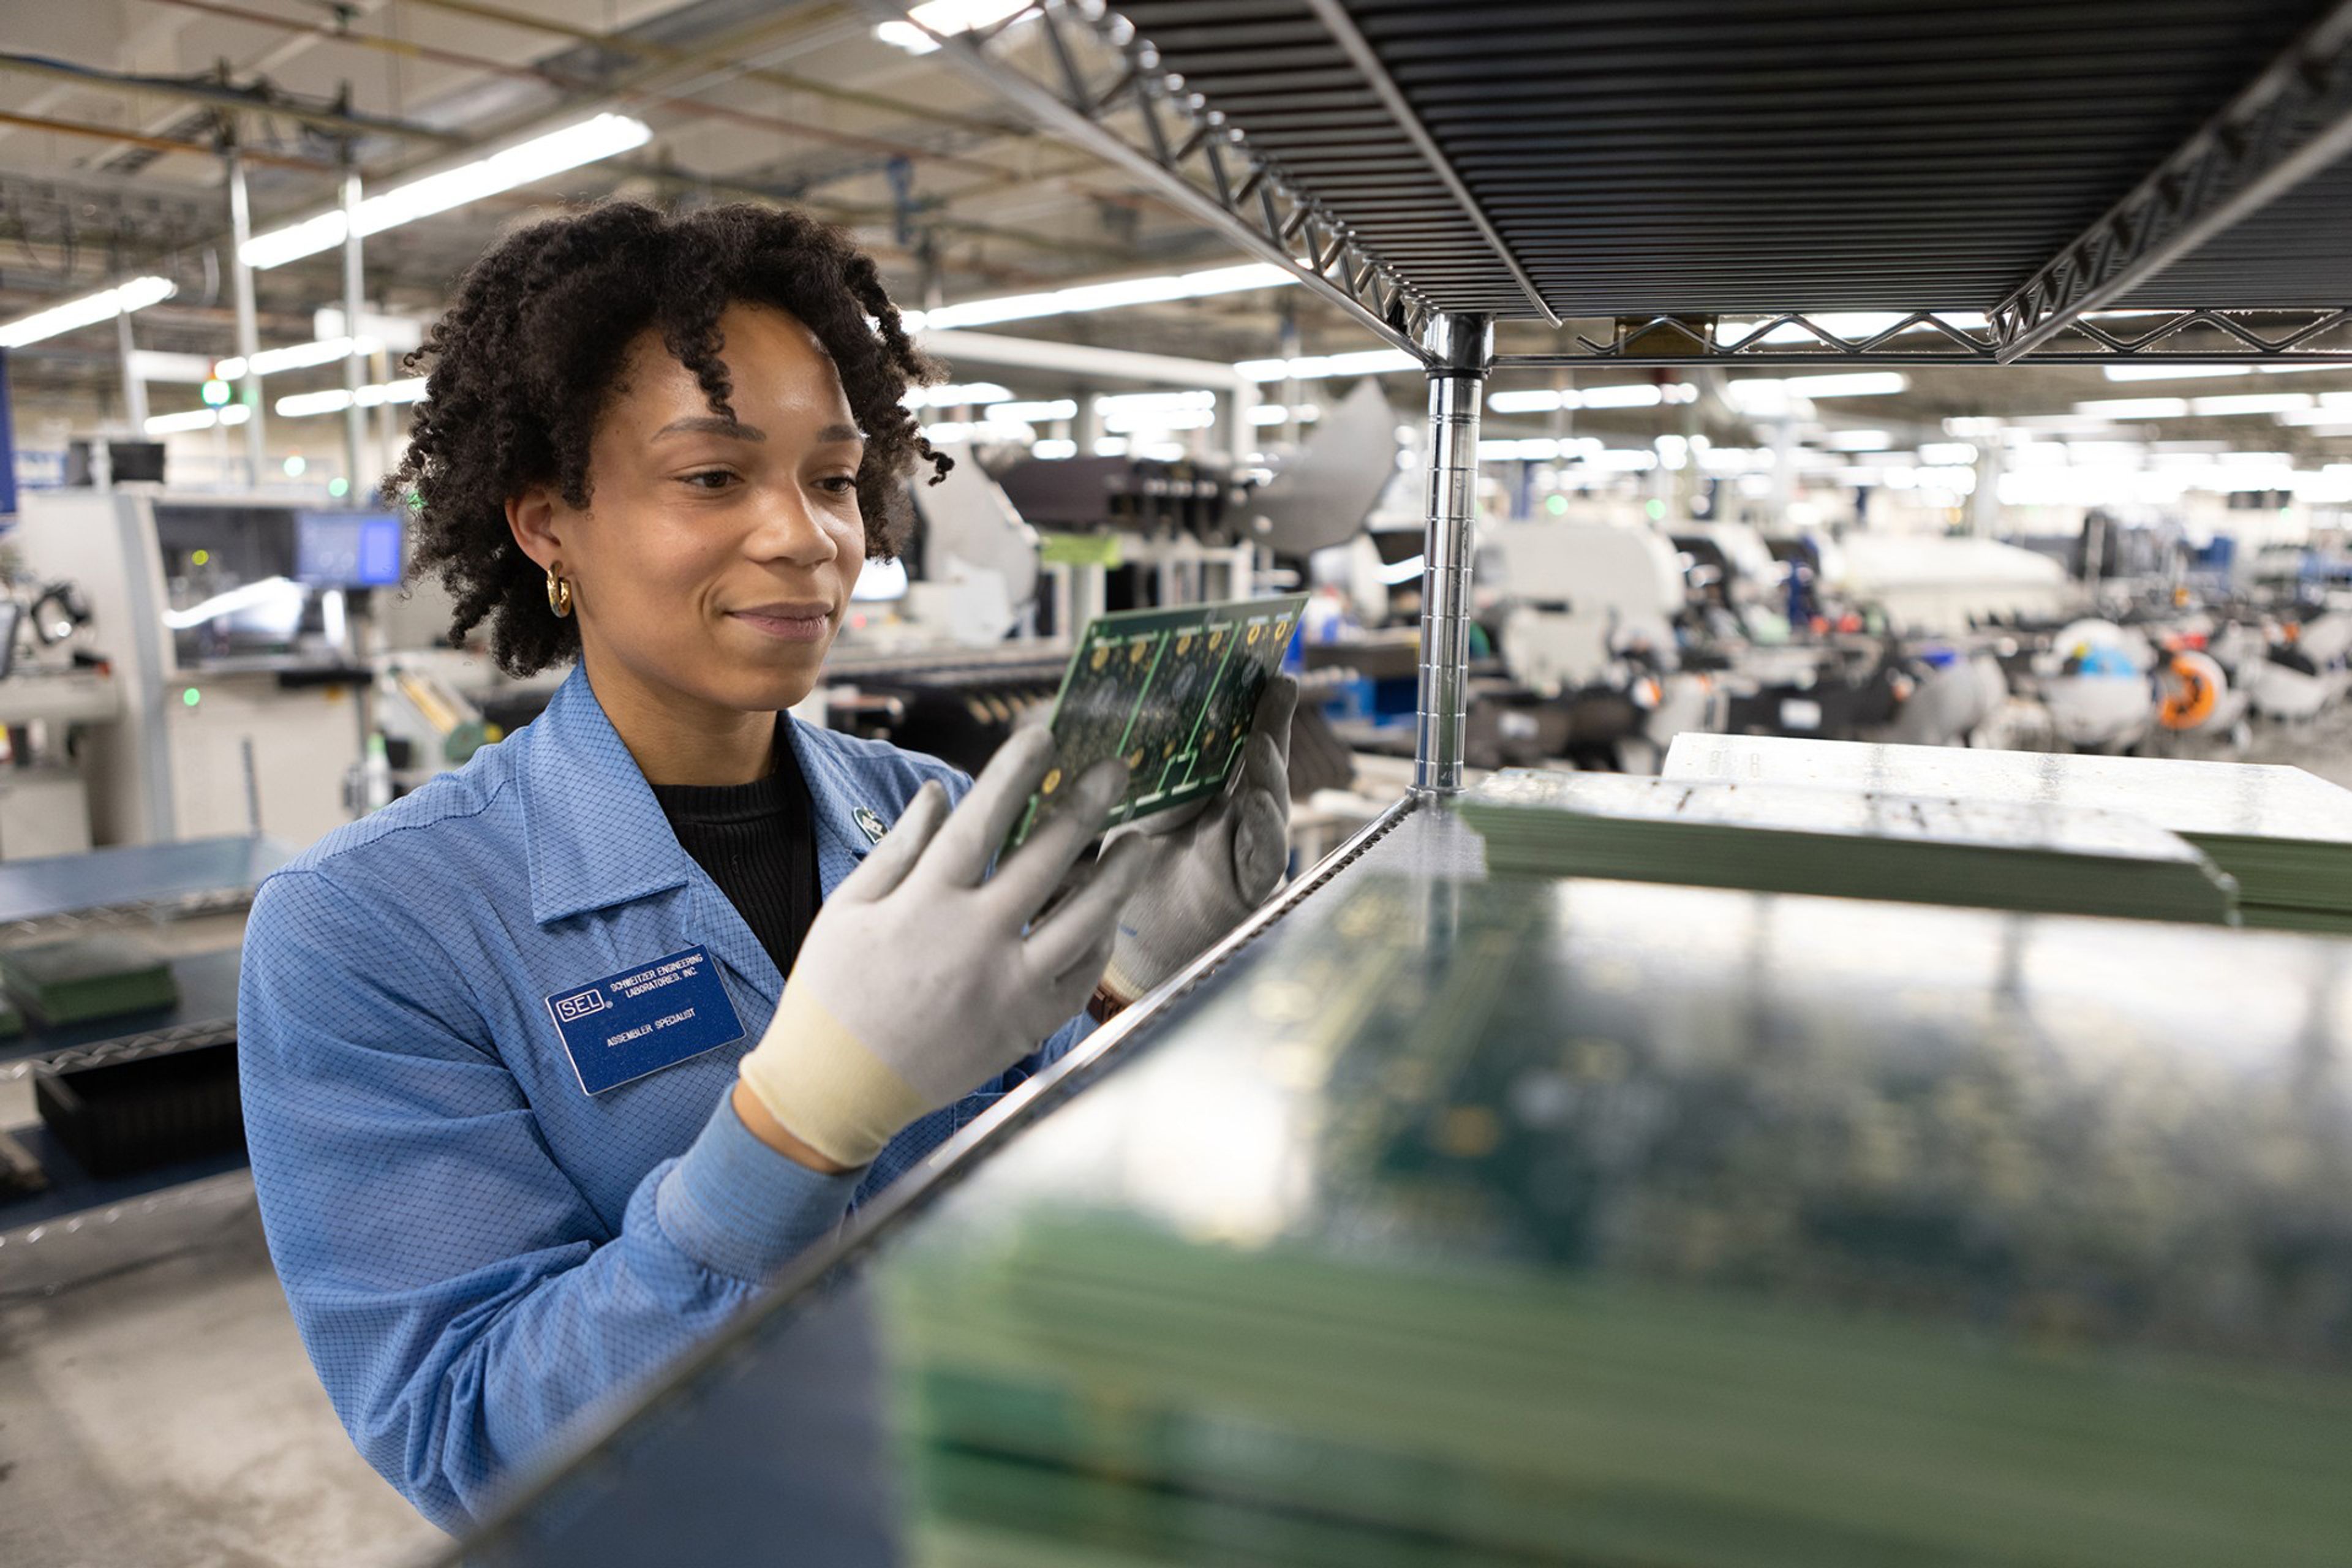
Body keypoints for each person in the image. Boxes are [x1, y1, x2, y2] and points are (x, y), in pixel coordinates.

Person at [236, 201, 1297, 1533]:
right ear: (546, 520)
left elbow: (1078, 1214)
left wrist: (1157, 993)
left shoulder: (931, 813)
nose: (808, 537)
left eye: (837, 477)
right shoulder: (369, 928)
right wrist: (790, 1132)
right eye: (712, 477)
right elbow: (468, 1438)